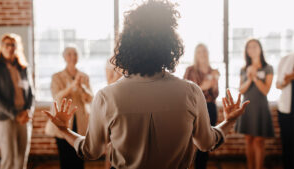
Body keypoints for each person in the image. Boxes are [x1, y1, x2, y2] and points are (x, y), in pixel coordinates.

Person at [44, 1, 249, 168]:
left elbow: (91, 151)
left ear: (126, 46)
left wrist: (63, 130)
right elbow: (207, 143)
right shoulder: (191, 92)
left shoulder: (107, 97)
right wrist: (229, 121)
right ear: (171, 46)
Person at [45, 46, 93, 169]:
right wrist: (72, 86)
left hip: (80, 121)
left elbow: (90, 98)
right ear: (64, 57)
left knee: (80, 154)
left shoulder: (84, 76)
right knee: (65, 157)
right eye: (69, 54)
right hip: (63, 119)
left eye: (75, 54)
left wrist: (82, 87)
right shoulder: (57, 76)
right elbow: (57, 96)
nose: (72, 57)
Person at [0, 33, 34, 169]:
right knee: (9, 160)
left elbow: (31, 93)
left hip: (24, 117)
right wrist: (15, 114)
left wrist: (28, 111)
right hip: (5, 118)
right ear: (1, 47)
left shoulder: (23, 68)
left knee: (21, 159)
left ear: (18, 47)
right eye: (7, 45)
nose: (10, 48)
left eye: (13, 45)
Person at [235, 39, 274, 169]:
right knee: (248, 139)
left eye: (255, 46)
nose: (252, 49)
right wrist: (250, 78)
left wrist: (255, 76)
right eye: (249, 47)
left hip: (261, 107)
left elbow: (265, 90)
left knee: (259, 141)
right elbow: (241, 90)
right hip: (247, 107)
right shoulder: (244, 69)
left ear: (260, 48)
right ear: (246, 51)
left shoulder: (268, 68)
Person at [184, 43, 219, 169]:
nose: (202, 54)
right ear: (195, 55)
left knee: (205, 144)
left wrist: (214, 85)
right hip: (194, 109)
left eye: (204, 51)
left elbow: (215, 94)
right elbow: (186, 92)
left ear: (208, 53)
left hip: (210, 108)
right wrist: (203, 87)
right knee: (191, 144)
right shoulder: (190, 70)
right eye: (199, 51)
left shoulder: (213, 71)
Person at [276, 54, 294, 169]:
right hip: (286, 110)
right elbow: (278, 84)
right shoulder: (286, 59)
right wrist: (288, 79)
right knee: (287, 145)